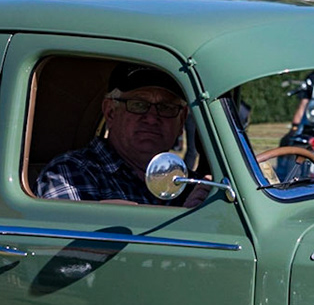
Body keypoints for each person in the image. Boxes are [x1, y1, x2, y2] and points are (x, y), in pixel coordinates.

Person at [34, 66, 196, 204]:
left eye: (166, 107)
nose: (152, 118)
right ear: (110, 112)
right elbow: (70, 239)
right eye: (139, 104)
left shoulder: (189, 184)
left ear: (181, 120)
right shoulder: (71, 173)